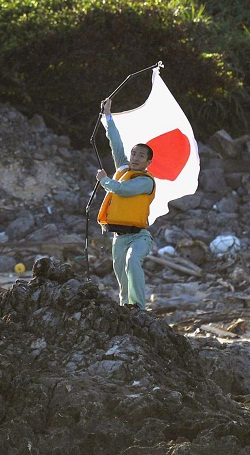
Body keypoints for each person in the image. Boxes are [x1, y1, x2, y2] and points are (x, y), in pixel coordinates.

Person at [96, 98, 156, 311]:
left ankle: (139, 308)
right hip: (118, 237)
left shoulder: (145, 181)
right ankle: (126, 309)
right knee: (121, 277)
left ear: (148, 162)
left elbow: (122, 189)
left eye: (141, 156)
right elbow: (115, 142)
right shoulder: (123, 168)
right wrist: (108, 116)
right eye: (134, 153)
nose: (135, 157)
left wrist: (104, 180)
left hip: (139, 236)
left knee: (132, 263)